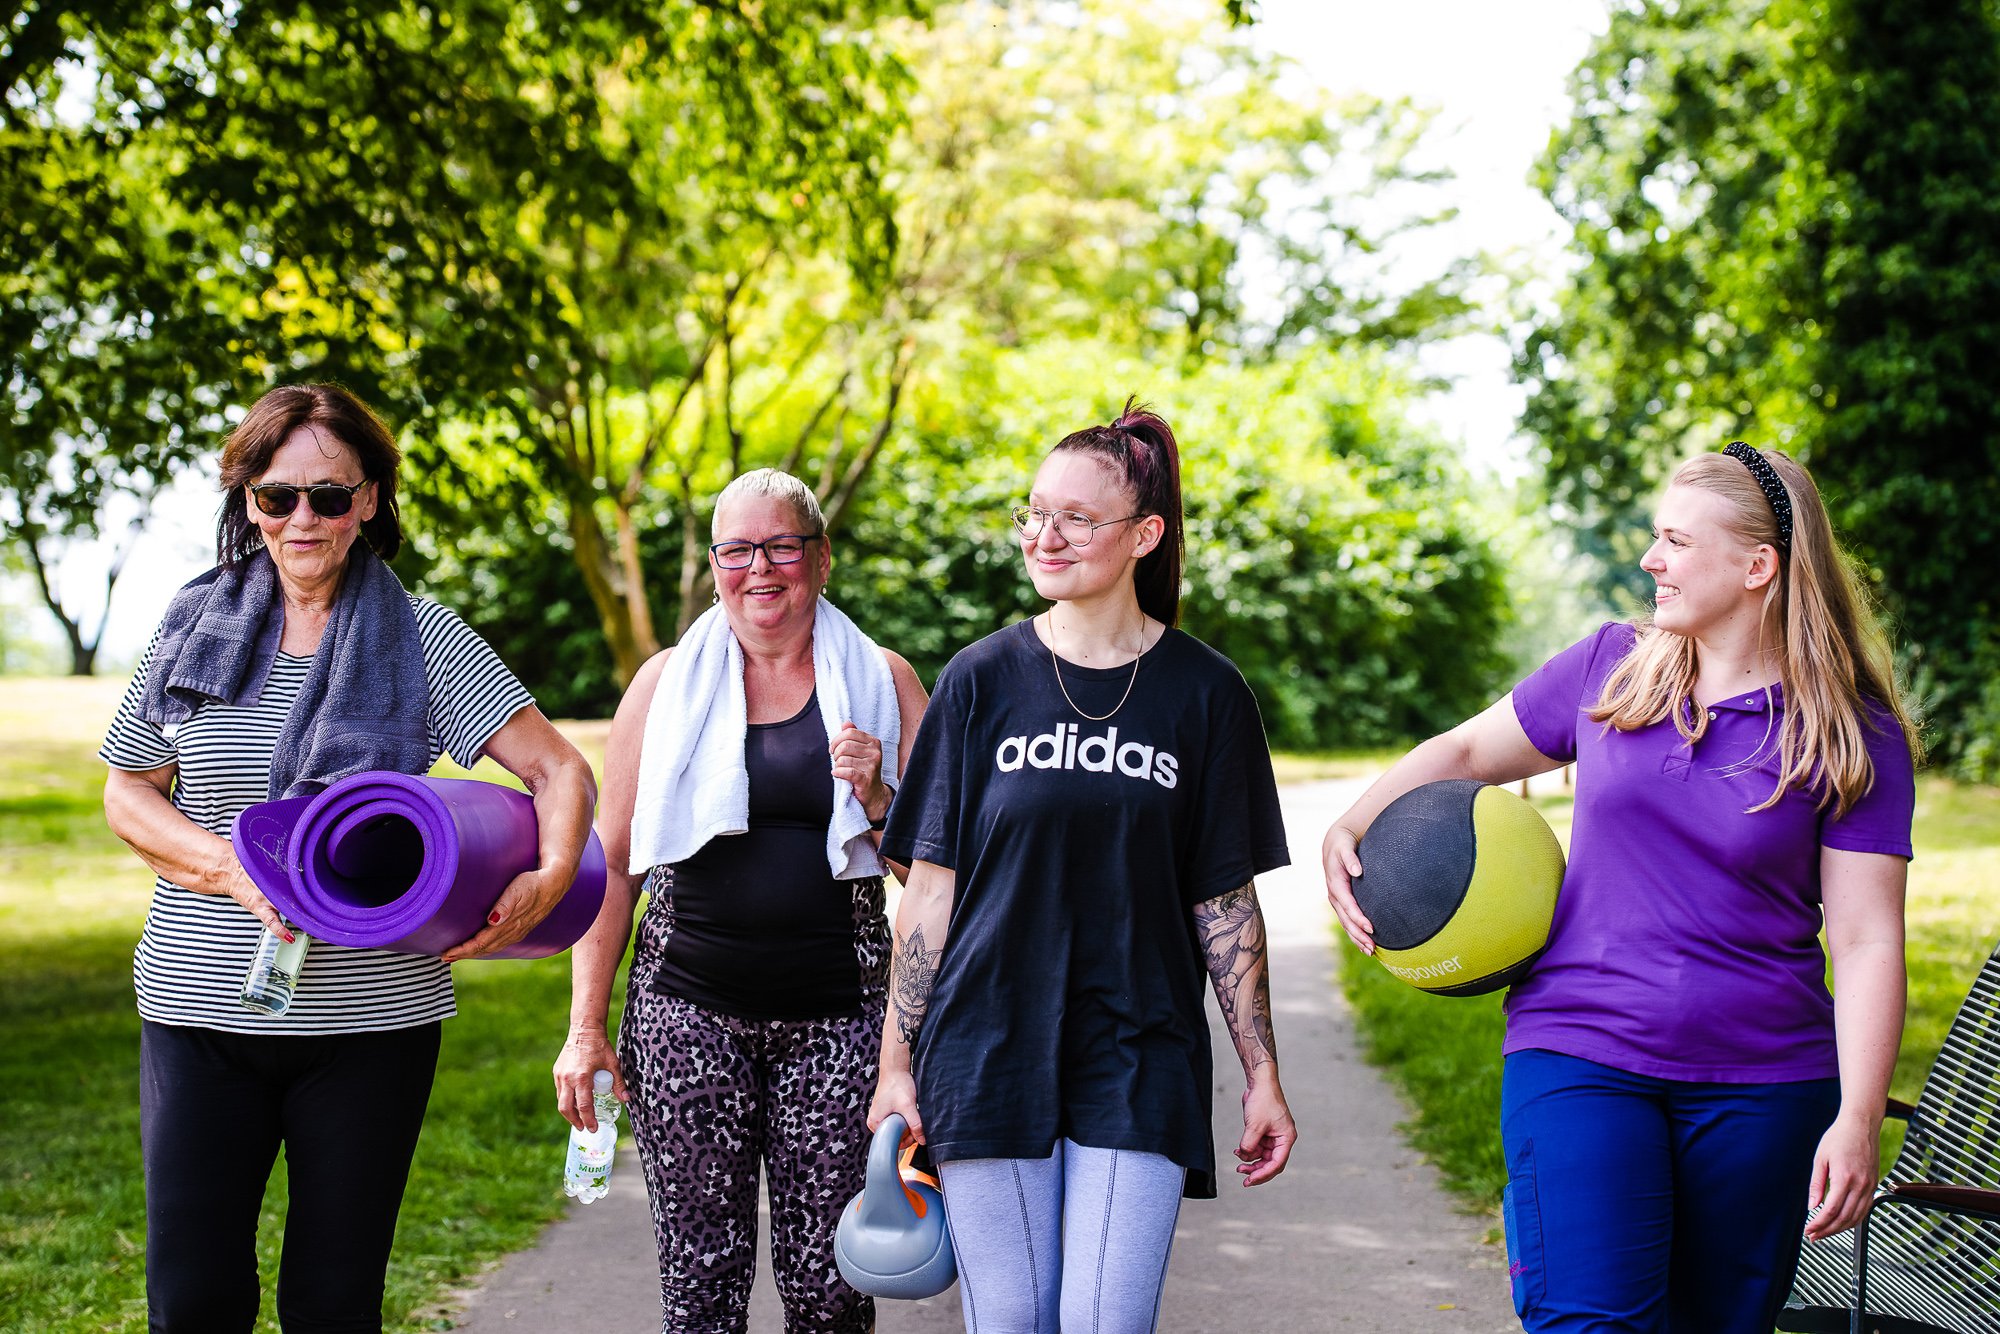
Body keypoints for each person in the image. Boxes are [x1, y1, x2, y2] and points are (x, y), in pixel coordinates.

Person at [1323, 443, 1918, 1332]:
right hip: (1579, 1048)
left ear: (1758, 567)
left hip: (1762, 1085)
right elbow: (1469, 752)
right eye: (1654, 537)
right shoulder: (1613, 664)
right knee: (1587, 1320)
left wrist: (1860, 1116)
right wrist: (1354, 821)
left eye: (1675, 542)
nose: (1651, 560)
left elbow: (1868, 938)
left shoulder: (1851, 730)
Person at [99, 383, 597, 1333]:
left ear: (369, 499)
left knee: (333, 1307)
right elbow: (129, 791)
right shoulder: (193, 623)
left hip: (372, 1029)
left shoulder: (423, 638)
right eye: (276, 496)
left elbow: (560, 768)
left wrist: (547, 876)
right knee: (192, 1302)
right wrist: (234, 871)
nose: (302, 520)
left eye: (329, 497)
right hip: (199, 1016)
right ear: (247, 501)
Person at [869, 399, 1299, 1334]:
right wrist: (895, 1066)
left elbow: (1224, 902)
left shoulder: (1207, 693)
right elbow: (930, 893)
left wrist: (1261, 1071)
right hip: (986, 1047)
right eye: (1033, 512)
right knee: (1012, 1319)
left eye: (1076, 517)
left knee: (1107, 1320)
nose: (1045, 535)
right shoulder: (979, 680)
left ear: (1145, 535)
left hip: (1140, 1050)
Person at [556, 468, 929, 1334]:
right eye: (737, 549)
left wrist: (880, 796)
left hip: (843, 1026)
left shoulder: (883, 678)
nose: (759, 568)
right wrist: (585, 1028)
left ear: (821, 558)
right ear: (718, 561)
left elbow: (943, 876)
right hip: (687, 1018)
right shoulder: (663, 685)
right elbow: (612, 865)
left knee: (833, 1293)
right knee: (699, 1291)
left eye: (781, 546)